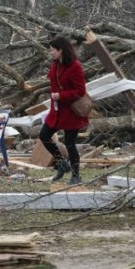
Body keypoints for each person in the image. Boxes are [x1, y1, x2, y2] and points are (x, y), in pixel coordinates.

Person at [39, 36, 89, 185]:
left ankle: (76, 175)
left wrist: (61, 95)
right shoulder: (56, 65)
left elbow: (80, 90)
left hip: (71, 111)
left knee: (70, 143)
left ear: (60, 50)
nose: (51, 53)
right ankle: (61, 163)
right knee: (44, 135)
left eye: (52, 50)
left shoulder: (75, 66)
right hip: (57, 110)